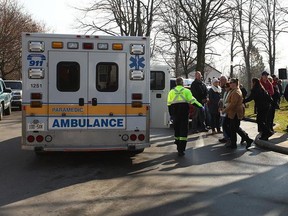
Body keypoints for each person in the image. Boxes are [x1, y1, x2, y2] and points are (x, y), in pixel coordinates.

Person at [167, 77, 203, 156]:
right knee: (183, 131)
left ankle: (177, 142)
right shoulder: (187, 91)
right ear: (182, 83)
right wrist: (201, 106)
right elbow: (193, 101)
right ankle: (181, 149)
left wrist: (171, 114)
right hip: (183, 113)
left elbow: (169, 104)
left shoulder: (171, 92)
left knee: (177, 129)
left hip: (175, 113)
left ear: (176, 83)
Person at [222, 78, 253, 149]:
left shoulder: (236, 92)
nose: (231, 84)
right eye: (230, 83)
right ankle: (235, 142)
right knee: (233, 128)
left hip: (235, 112)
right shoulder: (233, 91)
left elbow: (233, 104)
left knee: (234, 128)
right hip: (233, 112)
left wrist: (224, 110)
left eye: (232, 83)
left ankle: (246, 139)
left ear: (236, 84)